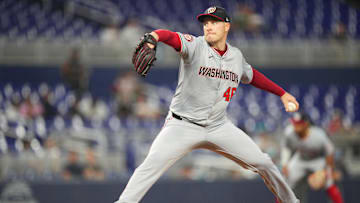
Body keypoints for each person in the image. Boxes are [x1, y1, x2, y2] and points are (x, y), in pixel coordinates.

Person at [115, 6, 300, 203]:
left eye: (214, 22)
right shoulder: (195, 46)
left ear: (226, 26)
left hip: (219, 126)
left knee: (264, 163)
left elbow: (253, 76)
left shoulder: (236, 56)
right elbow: (171, 37)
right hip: (182, 125)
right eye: (205, 23)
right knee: (150, 166)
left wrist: (282, 93)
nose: (208, 27)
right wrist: (153, 37)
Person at [281, 112, 344, 203]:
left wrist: (328, 171)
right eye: (294, 123)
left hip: (317, 159)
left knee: (329, 182)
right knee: (284, 182)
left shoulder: (318, 135)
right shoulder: (289, 132)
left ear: (306, 124)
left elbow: (329, 153)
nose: (295, 126)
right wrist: (284, 164)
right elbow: (286, 148)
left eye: (299, 123)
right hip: (301, 159)